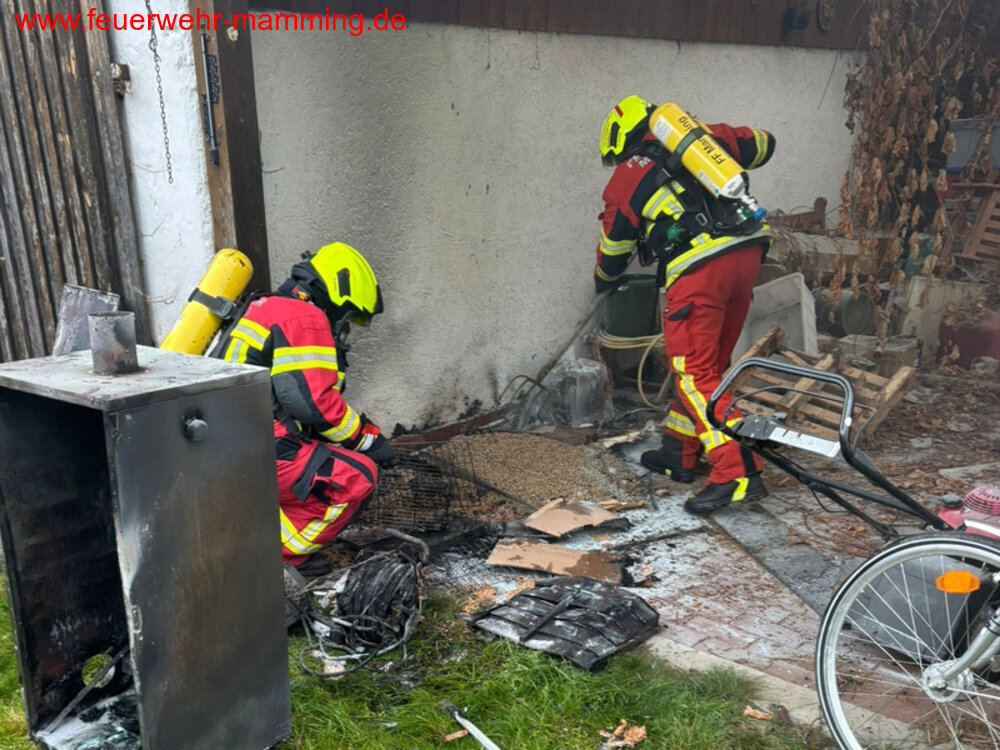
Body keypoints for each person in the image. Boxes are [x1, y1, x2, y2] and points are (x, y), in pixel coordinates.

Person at [595, 96, 776, 515]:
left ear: (622, 143)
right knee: (706, 367)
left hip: (700, 268)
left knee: (692, 372)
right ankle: (680, 450)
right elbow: (765, 144)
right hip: (747, 252)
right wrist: (715, 139)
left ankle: (736, 471)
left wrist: (603, 280)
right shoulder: (705, 140)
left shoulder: (628, 175)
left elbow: (615, 246)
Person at [215, 242, 398, 576]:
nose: (345, 324)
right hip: (259, 449)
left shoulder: (266, 305)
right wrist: (367, 440)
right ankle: (280, 559)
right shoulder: (304, 315)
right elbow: (314, 405)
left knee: (326, 458)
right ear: (337, 291)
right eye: (350, 314)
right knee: (356, 477)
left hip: (227, 443)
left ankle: (255, 540)